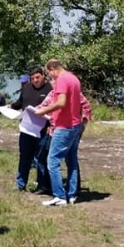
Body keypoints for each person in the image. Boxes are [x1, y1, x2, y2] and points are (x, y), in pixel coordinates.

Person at [35, 59, 84, 206]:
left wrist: (44, 110)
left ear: (52, 69)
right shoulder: (74, 78)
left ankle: (59, 195)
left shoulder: (62, 79)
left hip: (64, 126)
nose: (51, 78)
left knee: (53, 161)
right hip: (76, 125)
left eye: (50, 75)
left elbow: (61, 102)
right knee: (72, 160)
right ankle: (72, 194)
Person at [11, 66, 52, 193]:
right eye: (33, 78)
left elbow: (55, 109)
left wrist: (51, 124)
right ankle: (20, 184)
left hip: (43, 130)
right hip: (27, 129)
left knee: (41, 158)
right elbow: (20, 103)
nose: (35, 80)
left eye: (38, 77)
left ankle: (43, 185)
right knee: (25, 157)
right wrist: (10, 107)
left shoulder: (50, 89)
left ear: (43, 76)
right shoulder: (27, 87)